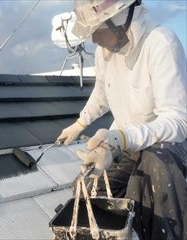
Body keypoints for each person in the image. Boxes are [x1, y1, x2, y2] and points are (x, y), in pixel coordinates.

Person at [57, 0, 187, 239]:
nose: (94, 39)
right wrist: (81, 123)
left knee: (151, 181)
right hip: (124, 143)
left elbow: (178, 120)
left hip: (164, 146)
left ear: (120, 19)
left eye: (97, 30)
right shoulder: (105, 51)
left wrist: (121, 138)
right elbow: (102, 92)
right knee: (85, 192)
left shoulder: (160, 43)